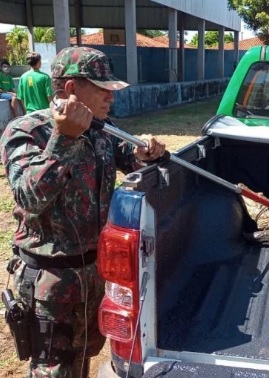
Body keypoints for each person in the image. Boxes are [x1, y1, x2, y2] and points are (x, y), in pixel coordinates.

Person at [0, 46, 166, 378]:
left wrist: (146, 155)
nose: (111, 97)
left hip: (95, 274)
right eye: (102, 88)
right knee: (53, 370)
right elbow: (29, 196)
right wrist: (64, 139)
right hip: (51, 283)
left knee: (85, 356)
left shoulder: (101, 130)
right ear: (72, 89)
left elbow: (129, 159)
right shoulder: (26, 131)